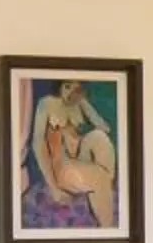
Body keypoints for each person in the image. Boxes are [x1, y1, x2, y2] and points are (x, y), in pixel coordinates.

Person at [28, 78, 120, 228]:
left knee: (99, 137)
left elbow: (104, 127)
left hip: (80, 158)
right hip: (62, 165)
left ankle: (103, 186)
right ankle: (107, 225)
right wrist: (54, 188)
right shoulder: (46, 104)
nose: (70, 91)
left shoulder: (78, 103)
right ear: (59, 85)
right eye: (67, 86)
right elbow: (38, 145)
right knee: (100, 177)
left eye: (75, 88)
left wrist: (84, 103)